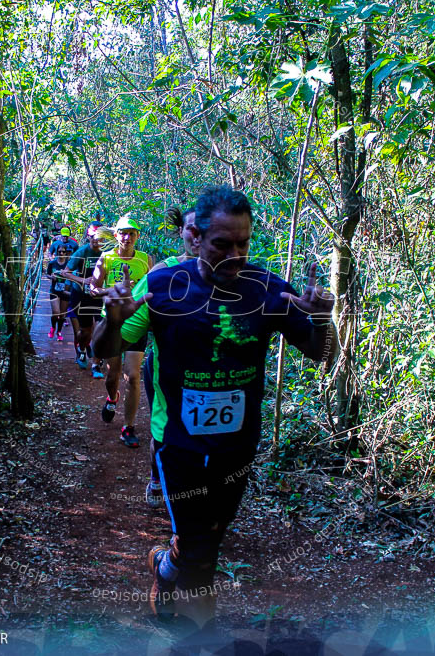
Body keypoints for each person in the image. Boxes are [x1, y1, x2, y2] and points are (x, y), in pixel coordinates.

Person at [92, 185, 336, 627]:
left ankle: (165, 567)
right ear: (195, 239)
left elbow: (321, 355)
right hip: (179, 442)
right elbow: (102, 349)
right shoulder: (163, 286)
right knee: (202, 551)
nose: (235, 254)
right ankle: (196, 635)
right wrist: (112, 320)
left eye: (243, 243)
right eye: (223, 244)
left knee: (209, 537)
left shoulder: (266, 289)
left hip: (237, 446)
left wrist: (323, 319)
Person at [144, 206, 198, 507]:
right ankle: (156, 476)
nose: (196, 234)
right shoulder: (163, 270)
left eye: (203, 228)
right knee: (164, 429)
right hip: (165, 365)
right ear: (181, 231)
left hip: (206, 369)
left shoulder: (226, 273)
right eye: (191, 227)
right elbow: (141, 314)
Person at [89, 216, 153, 448]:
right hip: (112, 325)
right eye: (123, 233)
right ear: (116, 235)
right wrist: (113, 291)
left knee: (133, 376)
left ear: (137, 237)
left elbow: (154, 288)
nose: (127, 237)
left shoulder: (146, 260)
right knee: (113, 374)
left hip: (137, 322)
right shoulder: (106, 258)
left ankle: (128, 427)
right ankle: (112, 398)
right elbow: (93, 289)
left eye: (132, 233)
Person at [61, 222, 106, 377]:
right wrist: (82, 280)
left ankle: (96, 364)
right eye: (93, 236)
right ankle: (81, 348)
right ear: (88, 236)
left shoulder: (107, 253)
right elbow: (65, 272)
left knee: (101, 328)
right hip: (81, 295)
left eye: (99, 237)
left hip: (99, 295)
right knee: (85, 330)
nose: (96, 240)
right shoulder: (82, 252)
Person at [45, 246, 73, 341]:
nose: (61, 253)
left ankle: (59, 332)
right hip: (54, 290)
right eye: (59, 252)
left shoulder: (69, 264)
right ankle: (53, 328)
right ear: (57, 252)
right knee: (55, 312)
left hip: (65, 290)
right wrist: (51, 277)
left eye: (63, 252)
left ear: (66, 253)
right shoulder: (52, 263)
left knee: (62, 314)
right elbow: (47, 274)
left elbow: (73, 274)